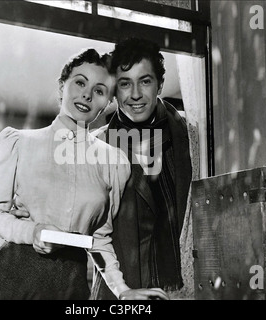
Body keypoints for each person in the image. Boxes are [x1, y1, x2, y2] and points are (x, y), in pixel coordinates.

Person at [0, 48, 169, 300]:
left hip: (72, 281)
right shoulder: (17, 142)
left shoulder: (114, 162)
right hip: (16, 275)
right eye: (80, 82)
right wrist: (32, 232)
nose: (87, 95)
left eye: (99, 90)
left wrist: (122, 290)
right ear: (61, 87)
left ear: (107, 102)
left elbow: (99, 239)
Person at [90, 38, 192, 300]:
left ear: (160, 84)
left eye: (145, 81)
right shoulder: (95, 146)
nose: (135, 94)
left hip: (185, 286)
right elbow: (92, 236)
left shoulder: (192, 137)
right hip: (123, 292)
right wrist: (121, 290)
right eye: (125, 83)